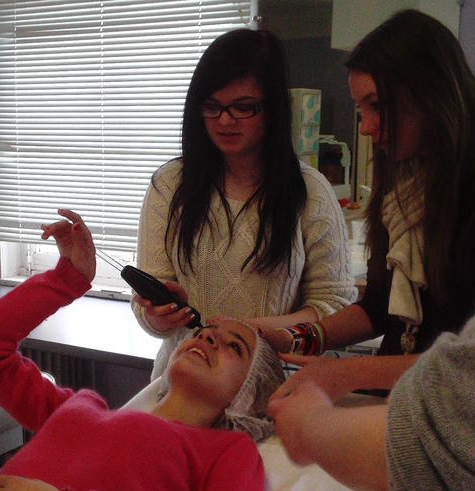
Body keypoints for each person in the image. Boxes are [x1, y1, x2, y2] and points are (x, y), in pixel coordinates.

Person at [0, 209, 285, 491]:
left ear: (248, 398)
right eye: (208, 331)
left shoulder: (228, 453)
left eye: (235, 346)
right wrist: (67, 279)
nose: (208, 337)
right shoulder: (79, 408)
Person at [265, 10, 475, 396]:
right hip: (397, 402)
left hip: (454, 410)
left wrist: (349, 373)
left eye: (377, 106)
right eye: (361, 109)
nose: (366, 126)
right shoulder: (401, 188)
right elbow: (378, 308)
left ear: (431, 94)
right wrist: (297, 337)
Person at [267, 194, 475, 491]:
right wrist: (300, 337)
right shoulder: (400, 196)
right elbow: (378, 306)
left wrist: (311, 424)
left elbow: (452, 430)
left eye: (236, 345)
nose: (370, 136)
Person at [132, 28, 357, 380]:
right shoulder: (170, 185)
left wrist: (250, 332)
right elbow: (148, 303)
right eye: (212, 107)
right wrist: (157, 317)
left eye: (243, 107)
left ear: (272, 108)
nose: (225, 120)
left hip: (270, 385)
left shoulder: (310, 192)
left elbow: (333, 305)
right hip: (182, 383)